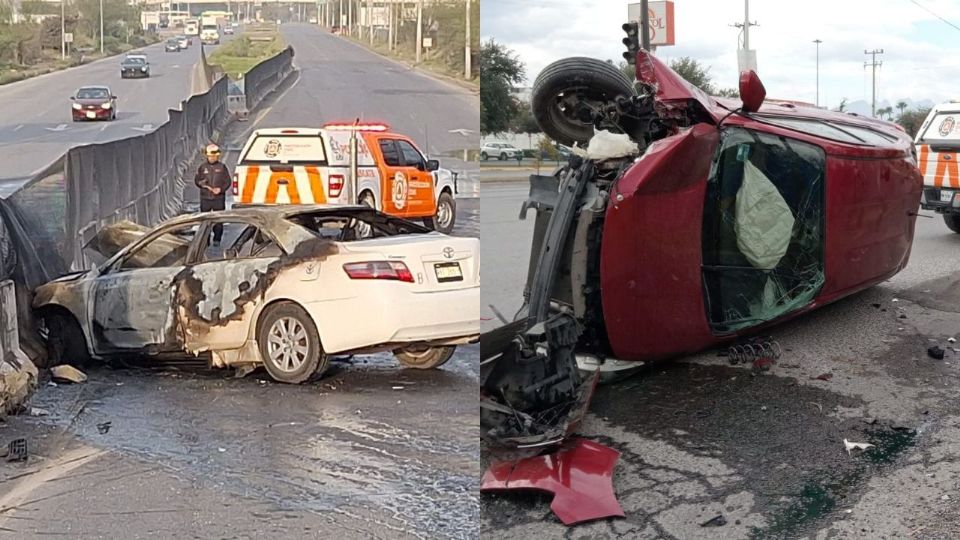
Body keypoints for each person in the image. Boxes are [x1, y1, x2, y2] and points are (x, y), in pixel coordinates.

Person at [195, 143, 231, 246]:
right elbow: (197, 180)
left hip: (218, 199)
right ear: (207, 156)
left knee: (218, 220)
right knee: (205, 221)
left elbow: (227, 182)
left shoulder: (222, 167)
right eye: (210, 156)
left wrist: (221, 189)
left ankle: (217, 239)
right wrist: (202, 185)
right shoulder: (202, 168)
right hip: (205, 198)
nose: (212, 158)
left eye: (214, 156)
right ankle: (205, 241)